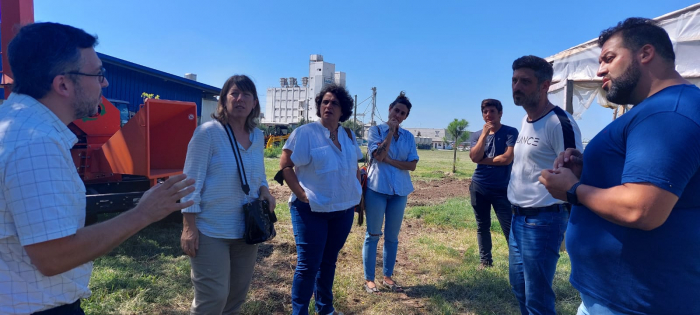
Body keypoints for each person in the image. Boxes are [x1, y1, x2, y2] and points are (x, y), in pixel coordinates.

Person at [0, 22, 195, 314]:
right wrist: (143, 213)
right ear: (63, 84)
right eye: (98, 74)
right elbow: (53, 256)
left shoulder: (13, 124)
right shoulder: (36, 143)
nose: (104, 84)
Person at [540, 18, 700, 315]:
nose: (600, 70)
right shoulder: (656, 109)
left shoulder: (668, 113)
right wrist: (589, 167)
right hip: (618, 297)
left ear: (646, 53)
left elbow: (642, 208)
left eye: (609, 58)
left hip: (635, 303)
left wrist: (572, 190)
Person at [179, 75, 276, 315]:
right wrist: (189, 227)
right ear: (224, 100)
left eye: (246, 95)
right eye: (234, 93)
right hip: (211, 230)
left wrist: (265, 191)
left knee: (235, 298)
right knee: (212, 299)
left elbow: (259, 177)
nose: (240, 99)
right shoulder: (207, 133)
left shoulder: (258, 137)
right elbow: (190, 184)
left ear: (255, 103)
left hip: (247, 230)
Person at [508, 55, 582, 315]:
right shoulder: (526, 121)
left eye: (525, 81)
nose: (517, 86)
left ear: (544, 85)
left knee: (537, 297)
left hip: (543, 220)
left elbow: (575, 174)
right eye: (514, 80)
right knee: (519, 287)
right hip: (518, 219)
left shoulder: (558, 123)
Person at [280, 84, 362, 315]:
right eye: (324, 102)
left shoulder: (348, 135)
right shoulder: (305, 134)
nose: (328, 106)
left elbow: (354, 166)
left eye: (334, 103)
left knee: (328, 262)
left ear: (343, 109)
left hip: (343, 210)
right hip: (311, 210)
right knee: (308, 266)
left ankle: (325, 309)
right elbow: (285, 165)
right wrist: (301, 195)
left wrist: (357, 193)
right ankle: (300, 312)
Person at [362, 91, 419, 294]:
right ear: (389, 110)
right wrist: (389, 132)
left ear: (405, 117)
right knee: (373, 234)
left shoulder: (409, 137)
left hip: (400, 191)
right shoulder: (375, 131)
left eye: (402, 113)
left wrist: (391, 162)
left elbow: (412, 165)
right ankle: (369, 279)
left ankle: (387, 276)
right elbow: (378, 155)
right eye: (396, 110)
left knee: (392, 237)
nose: (398, 115)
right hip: (377, 189)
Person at [468, 99, 518, 269]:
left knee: (509, 226)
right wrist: (483, 135)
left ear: (500, 113)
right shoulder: (476, 135)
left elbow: (506, 158)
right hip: (479, 186)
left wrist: (484, 160)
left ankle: (517, 261)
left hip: (501, 187)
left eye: (492, 112)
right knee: (482, 225)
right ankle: (485, 261)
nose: (488, 115)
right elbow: (474, 157)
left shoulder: (510, 132)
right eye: (485, 112)